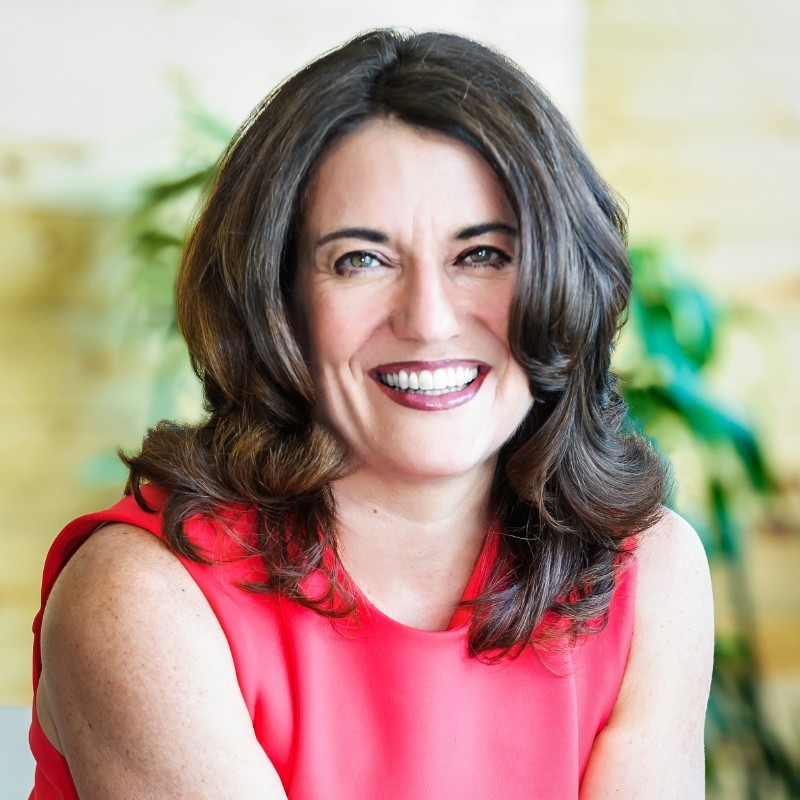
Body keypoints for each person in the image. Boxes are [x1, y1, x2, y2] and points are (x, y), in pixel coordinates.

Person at [29, 28, 713, 799]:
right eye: (361, 260)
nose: (428, 320)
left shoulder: (649, 574)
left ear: (564, 284)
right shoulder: (141, 599)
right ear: (279, 301)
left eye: (483, 255)